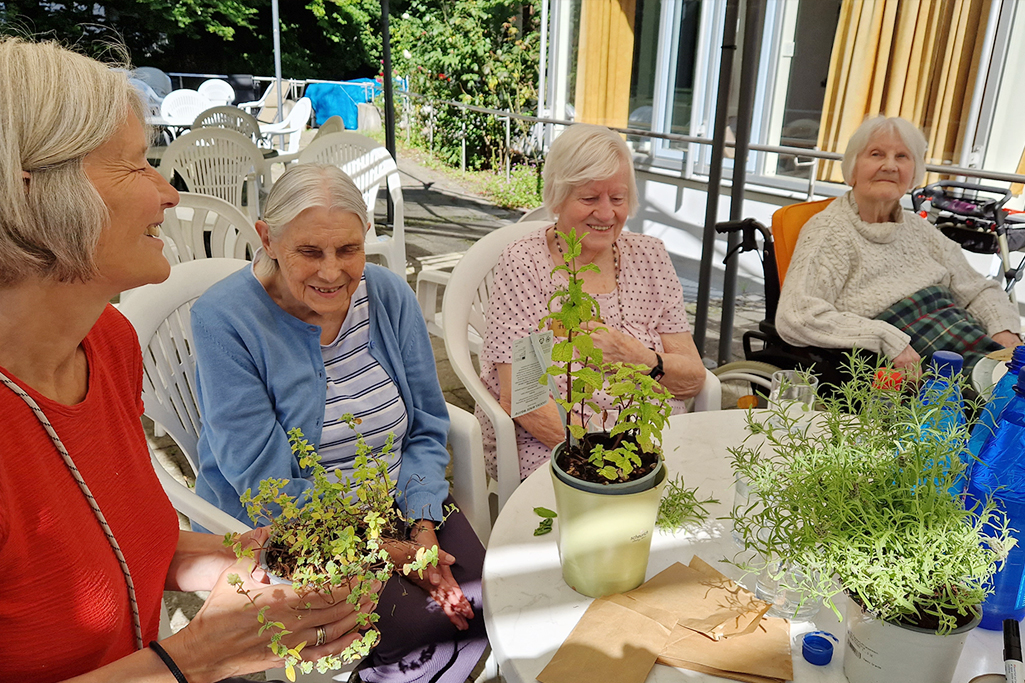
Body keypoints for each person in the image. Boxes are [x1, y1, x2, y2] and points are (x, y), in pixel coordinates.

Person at [0, 38, 370, 683]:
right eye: (136, 166)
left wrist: (243, 560)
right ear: (32, 191)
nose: (169, 194)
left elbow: (114, 545)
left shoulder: (105, 345)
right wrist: (198, 657)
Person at [190, 163, 487, 683]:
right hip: (296, 524)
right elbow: (266, 484)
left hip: (399, 497)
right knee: (425, 621)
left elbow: (425, 423)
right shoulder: (226, 318)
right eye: (310, 252)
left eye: (348, 249)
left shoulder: (389, 295)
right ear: (268, 238)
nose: (333, 272)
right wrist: (392, 553)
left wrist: (419, 522)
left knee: (484, 595)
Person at [478, 123, 707, 481]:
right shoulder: (525, 264)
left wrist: (637, 357)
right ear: (556, 197)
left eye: (617, 199)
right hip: (559, 446)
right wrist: (607, 462)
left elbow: (693, 379)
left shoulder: (651, 256)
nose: (606, 214)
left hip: (652, 439)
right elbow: (525, 397)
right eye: (589, 199)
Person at [776, 116, 1021, 375]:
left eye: (902, 156)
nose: (890, 166)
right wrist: (886, 338)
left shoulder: (918, 229)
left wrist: (1003, 328)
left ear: (913, 173)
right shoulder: (829, 231)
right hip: (906, 356)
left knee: (1013, 382)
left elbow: (976, 288)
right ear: (852, 169)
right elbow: (797, 316)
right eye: (876, 154)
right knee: (1001, 404)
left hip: (960, 337)